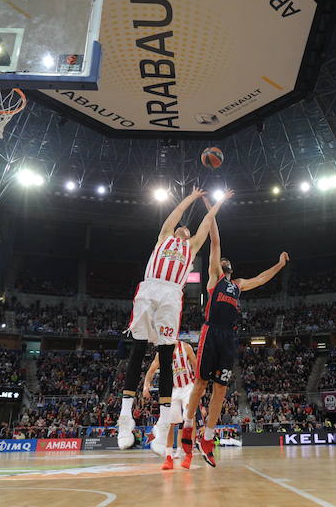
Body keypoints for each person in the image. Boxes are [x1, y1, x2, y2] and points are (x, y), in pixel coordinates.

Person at [117, 188, 233, 450]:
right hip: (149, 288)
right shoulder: (163, 237)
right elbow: (176, 213)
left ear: (189, 236)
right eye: (180, 228)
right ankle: (125, 418)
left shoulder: (191, 247)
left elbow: (206, 223)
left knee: (166, 355)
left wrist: (218, 203)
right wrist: (192, 197)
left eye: (186, 229)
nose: (183, 228)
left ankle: (161, 429)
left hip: (170, 295)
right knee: (137, 348)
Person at [180, 198, 288, 467]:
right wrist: (211, 210)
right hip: (211, 332)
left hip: (228, 337)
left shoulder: (237, 285)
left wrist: (279, 265)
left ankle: (207, 438)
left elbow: (261, 279)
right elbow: (215, 243)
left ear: (232, 269)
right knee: (201, 385)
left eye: (227, 261)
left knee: (220, 391)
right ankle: (187, 426)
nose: (223, 260)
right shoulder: (214, 278)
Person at [142, 339, 197, 470]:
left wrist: (200, 385)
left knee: (189, 418)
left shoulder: (186, 347)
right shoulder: (161, 353)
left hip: (188, 387)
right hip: (172, 390)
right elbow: (151, 370)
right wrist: (146, 386)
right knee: (170, 423)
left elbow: (196, 366)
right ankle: (168, 458)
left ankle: (189, 454)